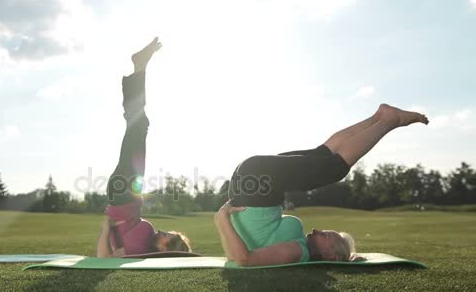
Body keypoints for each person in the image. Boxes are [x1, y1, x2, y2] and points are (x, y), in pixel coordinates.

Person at [215, 104, 429, 266]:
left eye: (327, 235)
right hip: (255, 180)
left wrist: (221, 219)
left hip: (258, 181)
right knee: (324, 155)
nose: (317, 229)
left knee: (335, 167)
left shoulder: (299, 252)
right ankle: (379, 117)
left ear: (330, 255)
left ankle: (387, 120)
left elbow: (244, 260)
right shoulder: (299, 245)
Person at [97, 37, 191, 258]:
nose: (168, 232)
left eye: (172, 238)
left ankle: (140, 67)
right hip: (126, 191)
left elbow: (105, 258)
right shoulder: (146, 236)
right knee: (138, 123)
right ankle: (139, 67)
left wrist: (105, 228)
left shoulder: (139, 247)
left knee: (138, 124)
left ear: (164, 249)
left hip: (123, 193)